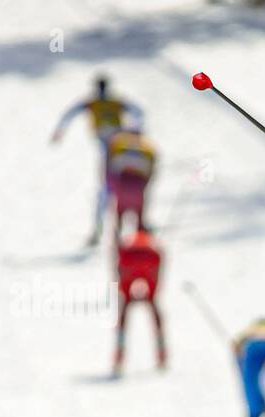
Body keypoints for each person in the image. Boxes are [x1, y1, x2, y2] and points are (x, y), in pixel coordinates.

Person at [51, 74, 144, 246]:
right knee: (118, 183)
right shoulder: (105, 102)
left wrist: (59, 131)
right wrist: (137, 130)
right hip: (115, 146)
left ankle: (113, 228)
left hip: (116, 146)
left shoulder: (102, 102)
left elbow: (69, 114)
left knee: (112, 185)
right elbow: (138, 112)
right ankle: (116, 227)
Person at [114, 228, 166, 375]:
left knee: (125, 308)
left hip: (128, 259)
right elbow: (161, 257)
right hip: (151, 260)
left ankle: (119, 354)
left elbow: (118, 258)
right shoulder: (151, 241)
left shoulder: (129, 239)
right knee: (153, 306)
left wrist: (121, 286)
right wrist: (153, 292)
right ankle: (161, 353)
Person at [106, 125, 157, 237]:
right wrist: (145, 185)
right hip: (138, 185)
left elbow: (110, 167)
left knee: (119, 217)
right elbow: (152, 166)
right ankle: (140, 242)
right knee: (139, 218)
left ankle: (118, 242)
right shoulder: (147, 147)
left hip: (123, 184)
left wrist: (111, 186)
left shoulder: (120, 144)